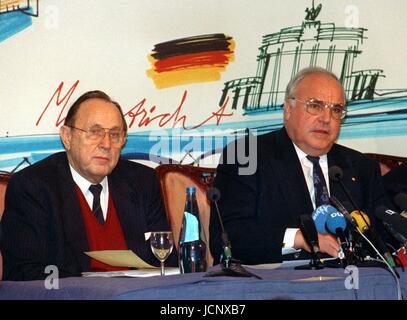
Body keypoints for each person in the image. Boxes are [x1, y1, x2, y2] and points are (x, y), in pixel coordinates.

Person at [209, 67, 391, 265]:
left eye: (336, 109)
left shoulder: (360, 167)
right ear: (288, 109)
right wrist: (299, 238)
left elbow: (385, 240)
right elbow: (227, 239)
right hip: (277, 288)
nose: (326, 118)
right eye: (315, 106)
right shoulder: (247, 156)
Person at [1, 90, 176, 281]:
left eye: (115, 134)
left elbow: (165, 258)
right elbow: (24, 272)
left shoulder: (142, 182)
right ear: (67, 137)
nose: (106, 144)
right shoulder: (33, 187)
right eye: (95, 133)